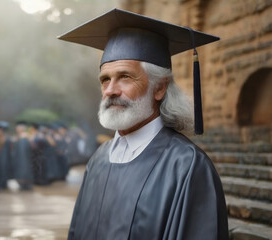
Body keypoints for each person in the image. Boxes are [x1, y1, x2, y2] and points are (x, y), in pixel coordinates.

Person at [59, 8, 229, 240]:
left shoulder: (187, 167)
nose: (110, 91)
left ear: (159, 88)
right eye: (105, 79)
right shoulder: (99, 159)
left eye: (125, 77)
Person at [11, 121, 34, 190]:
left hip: (24, 162)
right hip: (20, 161)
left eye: (18, 128)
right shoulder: (19, 137)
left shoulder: (25, 138)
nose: (17, 130)